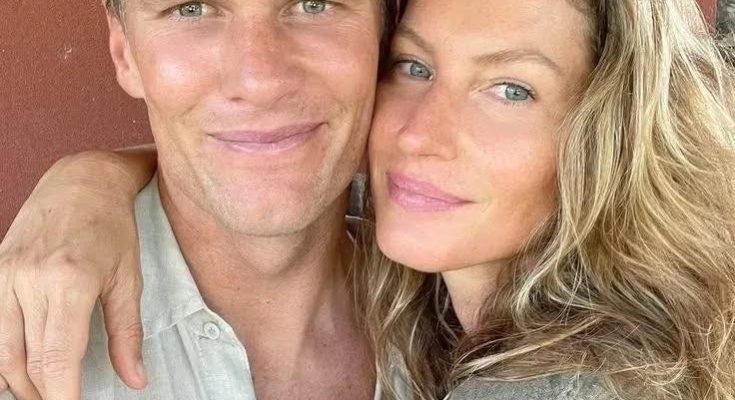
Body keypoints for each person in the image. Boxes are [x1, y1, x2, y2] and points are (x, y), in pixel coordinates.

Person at [2, 0, 735, 399]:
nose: (260, 78)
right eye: (192, 7)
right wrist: (94, 174)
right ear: (124, 52)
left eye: (313, 2)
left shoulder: (553, 368)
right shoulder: (24, 345)